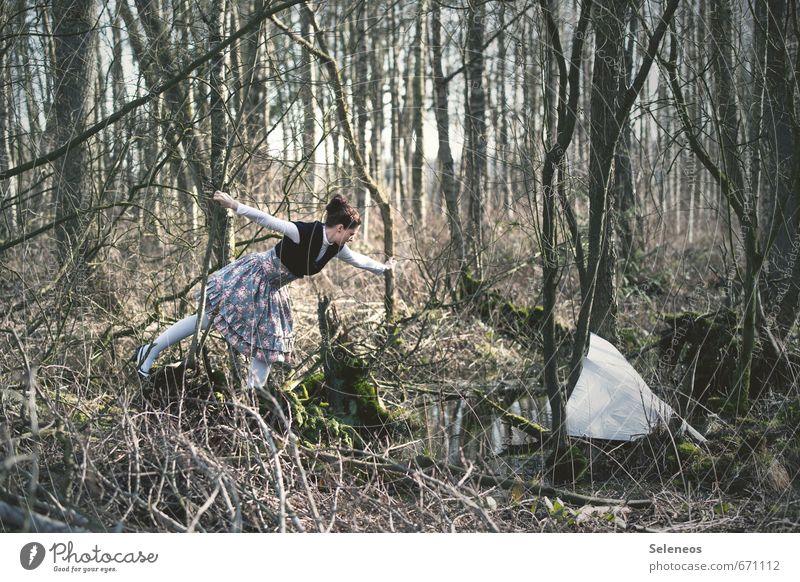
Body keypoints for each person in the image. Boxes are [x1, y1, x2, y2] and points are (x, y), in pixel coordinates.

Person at [133, 191, 395, 389]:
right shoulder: (301, 232)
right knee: (206, 319)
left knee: (269, 344)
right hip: (253, 277)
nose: (352, 239)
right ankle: (150, 351)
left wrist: (383, 268)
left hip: (273, 290)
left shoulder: (338, 248)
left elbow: (360, 260)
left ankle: (252, 398)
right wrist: (234, 205)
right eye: (351, 234)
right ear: (340, 228)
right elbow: (267, 220)